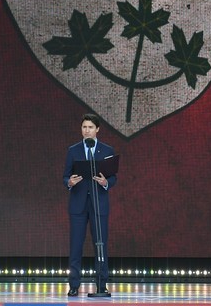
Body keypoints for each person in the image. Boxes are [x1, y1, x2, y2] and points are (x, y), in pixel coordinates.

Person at [63, 113, 116, 297]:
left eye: (90, 127)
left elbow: (113, 177)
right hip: (78, 205)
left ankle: (102, 285)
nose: (87, 131)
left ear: (97, 129)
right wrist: (70, 182)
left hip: (99, 204)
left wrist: (105, 182)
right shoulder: (73, 150)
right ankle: (74, 285)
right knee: (76, 246)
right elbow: (65, 176)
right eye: (84, 127)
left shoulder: (107, 150)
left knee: (100, 245)